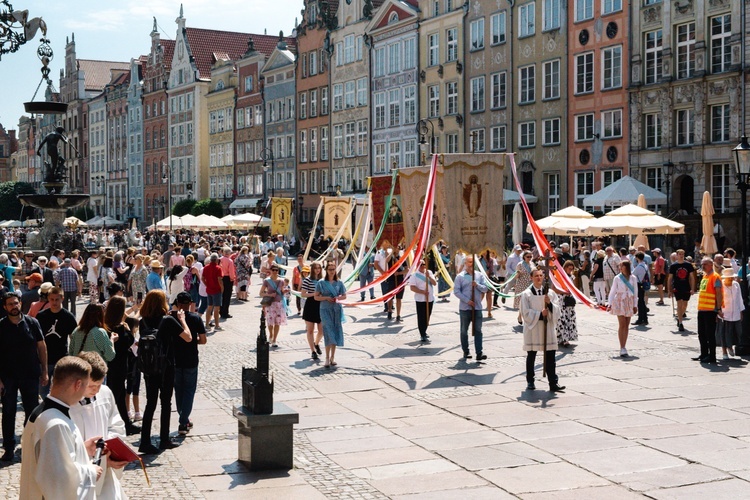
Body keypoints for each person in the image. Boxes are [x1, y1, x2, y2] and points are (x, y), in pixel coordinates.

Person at [19, 356, 102, 499]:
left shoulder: (41, 411)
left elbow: (48, 457)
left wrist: (81, 448)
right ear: (78, 385)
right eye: (86, 385)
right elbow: (59, 479)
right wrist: (91, 471)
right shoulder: (56, 424)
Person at [138, 290, 193, 454]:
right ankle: (164, 439)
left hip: (149, 367)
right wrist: (182, 321)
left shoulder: (143, 322)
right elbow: (188, 337)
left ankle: (145, 441)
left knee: (150, 403)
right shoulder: (168, 320)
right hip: (166, 366)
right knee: (166, 403)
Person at [70, 351, 129, 499]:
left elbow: (116, 425)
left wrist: (109, 447)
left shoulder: (105, 393)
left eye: (99, 384)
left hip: (105, 470)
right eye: (91, 386)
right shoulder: (68, 402)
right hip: (80, 472)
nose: (96, 390)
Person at [0, 292, 48, 461]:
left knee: (32, 412)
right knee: (8, 412)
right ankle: (9, 448)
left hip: (30, 375)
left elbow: (41, 347)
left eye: (16, 303)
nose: (14, 306)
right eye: (10, 304)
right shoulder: (1, 326)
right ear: (5, 307)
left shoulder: (32, 323)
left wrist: (44, 371)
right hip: (8, 377)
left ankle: (30, 445)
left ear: (20, 303)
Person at [520, 269, 565, 392]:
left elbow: (557, 310)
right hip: (533, 328)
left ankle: (553, 382)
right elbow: (525, 312)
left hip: (547, 328)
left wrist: (549, 304)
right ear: (531, 278)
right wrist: (540, 314)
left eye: (541, 275)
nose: (539, 278)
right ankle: (530, 381)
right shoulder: (527, 294)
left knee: (550, 356)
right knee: (531, 354)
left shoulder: (549, 293)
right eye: (536, 276)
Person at [103, 296, 140, 436]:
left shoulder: (107, 324)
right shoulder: (119, 328)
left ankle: (125, 423)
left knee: (118, 395)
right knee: (116, 395)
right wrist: (128, 330)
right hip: (118, 365)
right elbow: (128, 341)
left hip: (114, 364)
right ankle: (120, 423)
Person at [172, 292, 207, 435]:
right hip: (191, 359)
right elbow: (203, 340)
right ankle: (183, 421)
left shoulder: (170, 318)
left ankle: (184, 418)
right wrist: (193, 342)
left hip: (175, 359)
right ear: (190, 304)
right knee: (189, 390)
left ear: (177, 303)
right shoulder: (196, 319)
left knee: (179, 390)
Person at [36, 286, 78, 399]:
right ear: (48, 299)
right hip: (44, 359)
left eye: (57, 299)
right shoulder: (41, 316)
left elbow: (74, 338)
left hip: (61, 358)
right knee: (43, 390)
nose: (54, 302)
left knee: (61, 389)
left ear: (62, 299)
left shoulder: (68, 317)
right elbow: (36, 339)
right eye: (52, 299)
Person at [454, 255, 488, 360]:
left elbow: (486, 289)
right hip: (465, 308)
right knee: (464, 330)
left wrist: (477, 285)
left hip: (477, 307)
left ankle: (479, 353)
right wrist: (467, 301)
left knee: (478, 330)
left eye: (473, 262)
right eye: (469, 262)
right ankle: (466, 351)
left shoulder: (479, 275)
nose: (471, 264)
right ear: (465, 263)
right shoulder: (460, 276)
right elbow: (456, 291)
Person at [315, 261, 347, 368]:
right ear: (326, 270)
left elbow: (344, 296)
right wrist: (326, 298)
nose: (332, 271)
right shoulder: (321, 283)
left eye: (333, 269)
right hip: (325, 310)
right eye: (330, 269)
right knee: (328, 332)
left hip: (336, 310)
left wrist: (337, 298)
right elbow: (316, 297)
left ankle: (333, 357)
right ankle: (327, 358)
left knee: (335, 332)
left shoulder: (339, 283)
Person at [695, 257, 723, 364]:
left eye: (705, 264)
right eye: (702, 264)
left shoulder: (715, 277)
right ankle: (704, 354)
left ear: (711, 265)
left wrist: (718, 308)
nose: (702, 266)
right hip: (702, 309)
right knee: (701, 333)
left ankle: (712, 356)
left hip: (710, 310)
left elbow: (719, 294)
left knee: (710, 334)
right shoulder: (705, 276)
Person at [607, 260, 638, 358]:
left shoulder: (633, 278)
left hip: (629, 301)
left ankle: (624, 345)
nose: (620, 268)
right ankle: (622, 347)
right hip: (620, 301)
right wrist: (609, 303)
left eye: (622, 266)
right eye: (620, 266)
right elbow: (612, 291)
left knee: (627, 325)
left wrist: (635, 305)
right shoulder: (617, 278)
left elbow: (636, 292)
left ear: (627, 267)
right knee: (622, 324)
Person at [716, 268, 744, 361]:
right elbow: (717, 298)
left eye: (732, 278)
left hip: (735, 312)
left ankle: (730, 346)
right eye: (729, 278)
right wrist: (718, 310)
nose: (731, 280)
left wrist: (741, 311)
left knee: (735, 332)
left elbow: (739, 298)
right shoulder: (721, 285)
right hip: (725, 312)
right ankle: (724, 351)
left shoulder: (736, 285)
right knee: (724, 333)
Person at [260, 264, 289, 348]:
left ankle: (274, 339)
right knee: (270, 321)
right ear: (270, 271)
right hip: (270, 304)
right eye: (273, 270)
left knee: (277, 322)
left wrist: (284, 291)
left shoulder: (281, 281)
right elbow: (261, 293)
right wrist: (269, 295)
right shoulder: (267, 281)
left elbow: (282, 291)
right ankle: (270, 335)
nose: (275, 272)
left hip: (279, 303)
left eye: (277, 270)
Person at [667, 249, 696, 332]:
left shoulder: (688, 265)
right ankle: (680, 323)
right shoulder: (673, 266)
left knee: (685, 305)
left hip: (686, 287)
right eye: (680, 254)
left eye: (683, 254)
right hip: (677, 287)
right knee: (679, 304)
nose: (681, 255)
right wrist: (669, 290)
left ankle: (679, 316)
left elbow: (691, 277)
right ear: (677, 255)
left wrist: (692, 288)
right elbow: (670, 278)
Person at [409, 258, 436, 343]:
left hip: (430, 298)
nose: (423, 267)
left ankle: (424, 330)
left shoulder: (429, 272)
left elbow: (434, 283)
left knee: (428, 315)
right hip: (420, 299)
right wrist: (422, 292)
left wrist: (429, 277)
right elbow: (412, 287)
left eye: (424, 265)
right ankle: (422, 333)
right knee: (421, 317)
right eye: (421, 265)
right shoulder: (414, 275)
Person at [302, 263, 324, 360]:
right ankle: (312, 351)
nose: (317, 270)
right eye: (315, 268)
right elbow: (303, 294)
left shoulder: (323, 280)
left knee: (321, 330)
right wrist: (314, 294)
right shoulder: (308, 280)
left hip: (321, 305)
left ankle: (316, 343)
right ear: (312, 269)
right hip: (311, 305)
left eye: (319, 268)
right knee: (310, 330)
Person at [556, 261, 578, 347]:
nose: (571, 271)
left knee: (569, 319)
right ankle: (563, 339)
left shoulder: (572, 277)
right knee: (562, 320)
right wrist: (565, 292)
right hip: (561, 301)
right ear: (564, 268)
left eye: (572, 269)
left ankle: (567, 337)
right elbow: (554, 288)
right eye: (569, 269)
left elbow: (574, 288)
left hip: (569, 301)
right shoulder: (559, 277)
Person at [201, 253, 223, 332]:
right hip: (216, 290)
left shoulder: (206, 267)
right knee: (217, 308)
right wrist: (222, 288)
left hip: (209, 290)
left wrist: (207, 284)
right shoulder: (218, 268)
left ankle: (207, 325)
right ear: (217, 259)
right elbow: (219, 280)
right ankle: (217, 325)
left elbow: (202, 278)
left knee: (209, 307)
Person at [514, 251, 535, 323]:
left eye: (530, 257)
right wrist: (519, 273)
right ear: (524, 257)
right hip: (521, 285)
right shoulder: (520, 264)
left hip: (530, 285)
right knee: (522, 302)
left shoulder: (532, 264)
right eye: (528, 257)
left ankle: (523, 316)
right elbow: (515, 277)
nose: (529, 258)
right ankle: (520, 316)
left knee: (528, 302)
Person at [375, 242, 393, 319]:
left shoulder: (391, 250)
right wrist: (382, 272)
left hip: (391, 274)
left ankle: (391, 305)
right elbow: (376, 264)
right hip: (383, 274)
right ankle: (386, 305)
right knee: (385, 290)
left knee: (391, 290)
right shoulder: (379, 252)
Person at [219, 247, 237, 319]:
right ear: (229, 253)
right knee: (227, 296)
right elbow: (231, 272)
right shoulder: (230, 261)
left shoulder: (219, 260)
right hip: (227, 278)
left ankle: (220, 310)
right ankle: (225, 312)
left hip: (220, 278)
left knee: (221, 295)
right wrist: (232, 279)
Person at [632, 252, 650, 326]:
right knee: (641, 302)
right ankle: (644, 319)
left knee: (640, 303)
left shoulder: (639, 266)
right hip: (642, 284)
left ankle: (641, 319)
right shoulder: (644, 265)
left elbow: (632, 274)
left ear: (637, 258)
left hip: (639, 284)